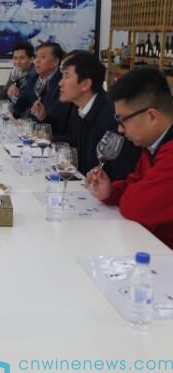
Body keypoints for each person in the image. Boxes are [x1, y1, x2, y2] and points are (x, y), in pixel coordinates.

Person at [86, 68, 173, 250]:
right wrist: (110, 192)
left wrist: (130, 195)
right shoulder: (153, 145)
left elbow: (137, 206)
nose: (120, 129)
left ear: (152, 116)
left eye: (122, 120)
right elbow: (136, 183)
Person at [32, 51, 139, 179]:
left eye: (66, 76)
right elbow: (76, 141)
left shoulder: (111, 115)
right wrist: (47, 139)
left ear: (85, 84)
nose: (60, 83)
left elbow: (122, 172)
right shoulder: (82, 108)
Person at [15, 42, 70, 131]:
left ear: (56, 61)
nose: (37, 61)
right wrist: (14, 97)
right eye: (36, 57)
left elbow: (60, 122)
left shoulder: (62, 84)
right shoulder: (33, 78)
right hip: (30, 129)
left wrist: (43, 117)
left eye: (43, 57)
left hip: (51, 134)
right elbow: (22, 103)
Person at [0, 42, 35, 110]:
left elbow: (29, 103)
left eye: (22, 58)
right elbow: (4, 93)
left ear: (31, 59)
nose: (18, 62)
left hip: (23, 113)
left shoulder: (35, 76)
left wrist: (17, 96)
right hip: (11, 109)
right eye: (15, 58)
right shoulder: (15, 72)